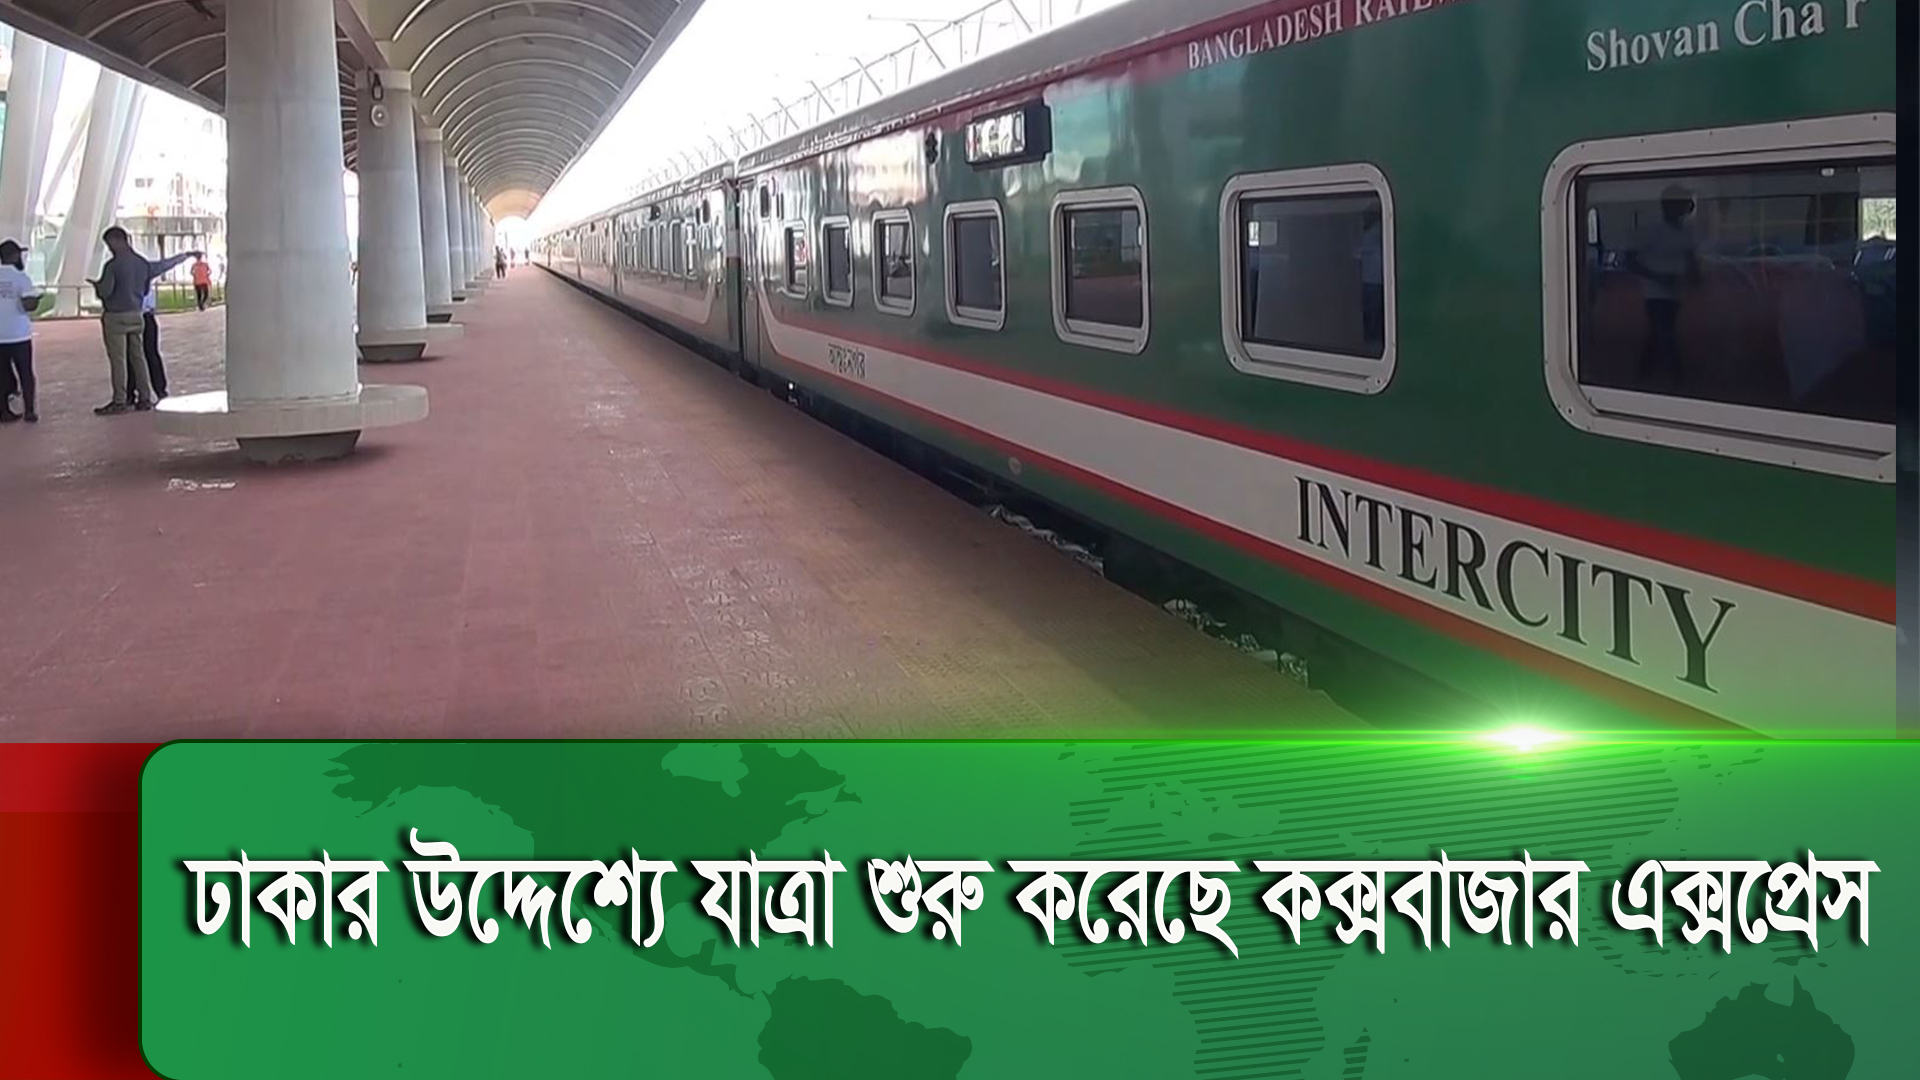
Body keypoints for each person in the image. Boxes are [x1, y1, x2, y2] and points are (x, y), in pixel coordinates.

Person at [88, 227, 198, 415]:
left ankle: (120, 399)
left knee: (119, 360)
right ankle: (145, 397)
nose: (109, 248)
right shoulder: (142, 264)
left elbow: (106, 291)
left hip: (116, 315)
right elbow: (161, 268)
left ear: (116, 241)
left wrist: (97, 286)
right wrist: (184, 256)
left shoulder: (113, 266)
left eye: (109, 244)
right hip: (137, 314)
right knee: (138, 357)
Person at [1625, 184, 1701, 386]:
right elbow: (1629, 261)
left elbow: (1691, 260)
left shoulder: (1687, 233)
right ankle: (1678, 377)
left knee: (1658, 334)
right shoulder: (1652, 231)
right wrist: (1658, 277)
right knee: (1665, 334)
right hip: (1655, 294)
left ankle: (1643, 374)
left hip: (1676, 294)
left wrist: (1695, 277)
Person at [0, 239, 41, 423]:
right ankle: (29, 410)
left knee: (2, 374)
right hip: (18, 334)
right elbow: (29, 306)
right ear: (14, 255)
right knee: (25, 372)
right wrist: (36, 299)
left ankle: (4, 411)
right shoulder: (21, 278)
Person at [131, 283, 169, 406]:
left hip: (138, 314)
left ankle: (132, 393)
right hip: (146, 314)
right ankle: (160, 390)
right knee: (150, 354)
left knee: (134, 355)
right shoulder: (145, 275)